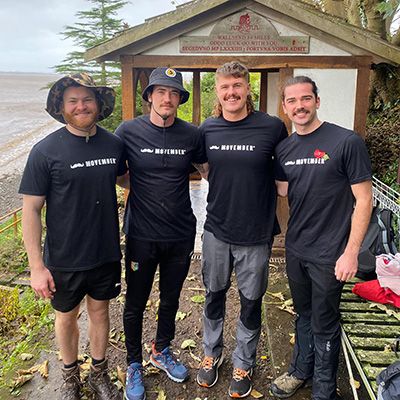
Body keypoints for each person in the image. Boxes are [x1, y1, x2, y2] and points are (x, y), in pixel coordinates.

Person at [19, 72, 126, 400]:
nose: (82, 106)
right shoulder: (45, 151)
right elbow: (31, 210)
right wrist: (37, 267)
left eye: (87, 99)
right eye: (73, 101)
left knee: (100, 312)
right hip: (64, 256)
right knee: (66, 317)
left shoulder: (113, 144)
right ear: (61, 107)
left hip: (106, 251)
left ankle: (98, 373)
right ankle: (69, 377)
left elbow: (127, 181)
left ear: (98, 104)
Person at [271, 76, 373, 400]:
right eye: (292, 101)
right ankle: (300, 370)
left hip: (331, 252)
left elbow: (364, 199)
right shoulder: (284, 148)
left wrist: (351, 252)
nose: (299, 106)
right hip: (296, 248)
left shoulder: (346, 142)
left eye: (305, 98)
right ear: (285, 107)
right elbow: (283, 190)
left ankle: (324, 388)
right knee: (303, 313)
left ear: (317, 100)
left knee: (324, 320)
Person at [196, 61, 288, 399]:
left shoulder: (272, 127)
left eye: (237, 85)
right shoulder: (208, 128)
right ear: (217, 91)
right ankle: (211, 352)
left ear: (246, 88)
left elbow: (283, 178)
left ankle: (243, 361)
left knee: (251, 301)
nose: (231, 92)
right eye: (225, 87)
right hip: (217, 229)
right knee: (214, 295)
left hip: (256, 232)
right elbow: (203, 166)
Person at [115, 67, 208, 400]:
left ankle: (162, 350)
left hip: (181, 233)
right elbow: (117, 175)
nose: (167, 99)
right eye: (161, 92)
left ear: (179, 100)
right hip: (141, 234)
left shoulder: (191, 135)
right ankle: (134, 363)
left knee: (171, 297)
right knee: (136, 301)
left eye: (174, 93)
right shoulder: (128, 131)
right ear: (150, 96)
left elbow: (207, 170)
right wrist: (140, 188)